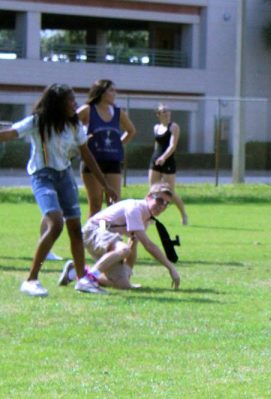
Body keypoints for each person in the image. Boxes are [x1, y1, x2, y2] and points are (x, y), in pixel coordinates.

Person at [0, 83, 117, 297]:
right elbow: (9, 133)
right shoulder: (38, 122)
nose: (74, 104)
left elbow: (87, 155)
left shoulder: (74, 126)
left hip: (65, 178)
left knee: (75, 229)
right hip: (42, 177)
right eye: (69, 100)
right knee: (55, 224)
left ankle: (82, 279)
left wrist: (105, 185)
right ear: (57, 103)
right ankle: (31, 280)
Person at [60, 182, 180, 291]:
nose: (162, 206)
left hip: (105, 236)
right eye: (159, 200)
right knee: (123, 249)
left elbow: (133, 243)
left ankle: (78, 270)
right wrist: (171, 268)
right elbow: (148, 245)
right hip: (94, 230)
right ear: (149, 197)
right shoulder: (135, 208)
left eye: (166, 203)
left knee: (123, 285)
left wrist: (126, 274)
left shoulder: (147, 218)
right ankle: (88, 280)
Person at [77, 79, 136, 216]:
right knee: (96, 204)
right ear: (101, 93)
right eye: (111, 90)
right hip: (92, 162)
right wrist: (80, 142)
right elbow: (69, 126)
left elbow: (131, 131)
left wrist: (118, 143)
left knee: (114, 203)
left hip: (113, 162)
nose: (114, 93)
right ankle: (92, 236)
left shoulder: (117, 112)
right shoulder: (88, 110)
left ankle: (109, 236)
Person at [148, 103, 189, 225]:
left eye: (168, 111)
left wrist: (164, 157)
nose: (167, 113)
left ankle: (183, 215)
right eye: (164, 111)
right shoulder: (156, 127)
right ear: (158, 114)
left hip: (168, 161)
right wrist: (156, 158)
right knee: (152, 190)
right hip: (155, 160)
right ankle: (150, 216)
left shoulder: (174, 127)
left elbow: (172, 145)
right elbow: (157, 145)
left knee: (169, 191)